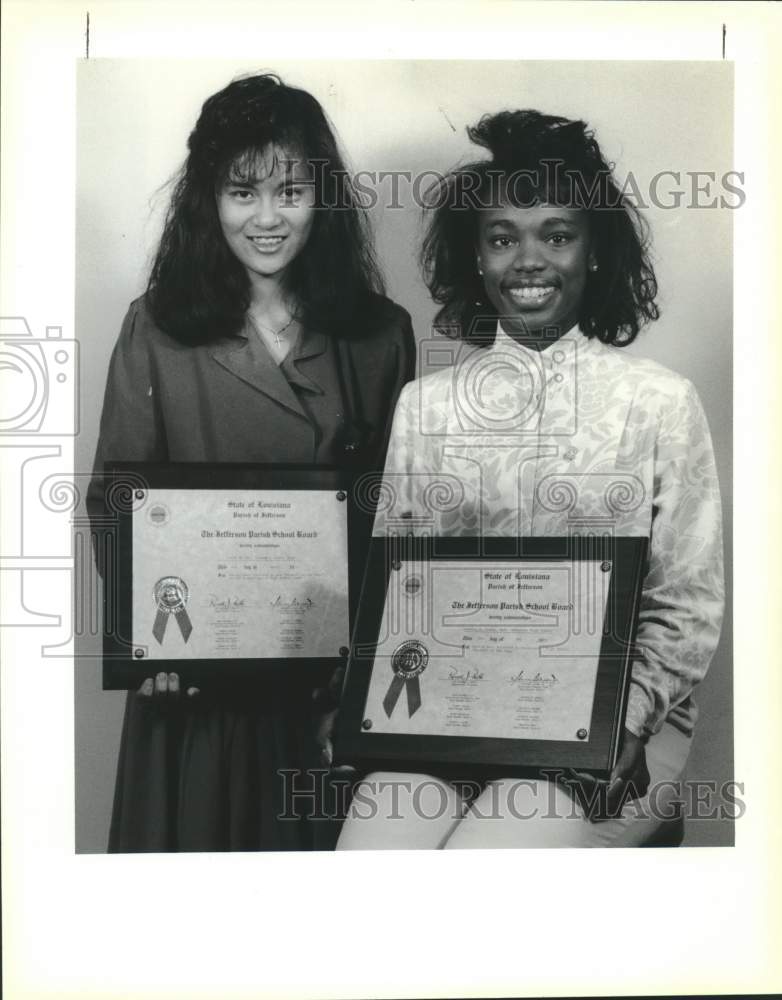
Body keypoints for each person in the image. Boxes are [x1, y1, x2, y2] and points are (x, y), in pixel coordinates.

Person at [336, 109, 724, 849]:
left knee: (493, 865)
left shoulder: (659, 401)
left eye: (557, 234)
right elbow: (402, 592)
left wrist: (624, 725)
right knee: (370, 861)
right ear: (475, 257)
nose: (529, 260)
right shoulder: (427, 405)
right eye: (502, 237)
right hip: (455, 712)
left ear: (595, 250)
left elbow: (686, 606)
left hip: (610, 724)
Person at [88, 73, 415, 852]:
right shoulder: (157, 327)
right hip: (194, 690)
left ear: (321, 198)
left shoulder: (380, 334)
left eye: (291, 191)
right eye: (243, 192)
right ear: (210, 200)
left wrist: (364, 673)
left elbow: (402, 523)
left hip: (327, 698)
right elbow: (116, 499)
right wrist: (150, 646)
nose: (267, 218)